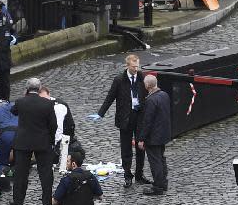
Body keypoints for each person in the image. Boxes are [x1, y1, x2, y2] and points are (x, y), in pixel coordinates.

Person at [88, 53, 147, 187]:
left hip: (139, 116)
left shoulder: (141, 77)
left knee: (140, 146)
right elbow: (110, 97)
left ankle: (139, 174)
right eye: (133, 67)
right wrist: (101, 113)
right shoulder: (119, 79)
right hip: (125, 118)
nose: (136, 69)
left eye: (137, 66)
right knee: (126, 148)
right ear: (127, 66)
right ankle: (127, 175)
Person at [10, 77, 58, 205]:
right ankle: (46, 201)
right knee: (46, 172)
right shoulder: (47, 104)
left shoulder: (21, 102)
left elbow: (13, 111)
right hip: (42, 141)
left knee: (21, 172)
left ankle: (18, 200)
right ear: (39, 88)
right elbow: (53, 125)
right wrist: (51, 139)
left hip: (23, 142)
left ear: (27, 89)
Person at [137, 75, 171, 196]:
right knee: (161, 158)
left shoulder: (151, 101)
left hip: (154, 137)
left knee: (155, 161)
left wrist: (141, 139)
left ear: (147, 86)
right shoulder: (164, 95)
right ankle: (163, 182)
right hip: (163, 135)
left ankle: (158, 186)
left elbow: (147, 122)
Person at [40, 84, 76, 167]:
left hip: (64, 133)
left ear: (49, 94)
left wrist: (53, 145)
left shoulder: (58, 106)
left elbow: (58, 128)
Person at [0, 98, 18, 181]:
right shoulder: (16, 106)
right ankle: (16, 174)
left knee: (2, 161)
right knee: (19, 158)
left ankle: (2, 177)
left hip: (5, 134)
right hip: (20, 134)